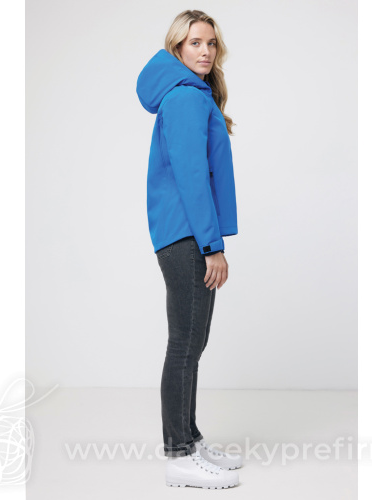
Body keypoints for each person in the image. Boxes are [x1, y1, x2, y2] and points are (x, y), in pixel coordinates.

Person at [136, 10, 243, 489]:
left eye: (211, 43)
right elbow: (192, 176)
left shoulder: (194, 95)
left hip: (188, 232)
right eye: (195, 43)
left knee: (193, 341)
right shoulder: (183, 98)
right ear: (177, 48)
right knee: (184, 343)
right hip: (187, 235)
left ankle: (191, 441)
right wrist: (212, 245)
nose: (205, 51)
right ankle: (178, 455)